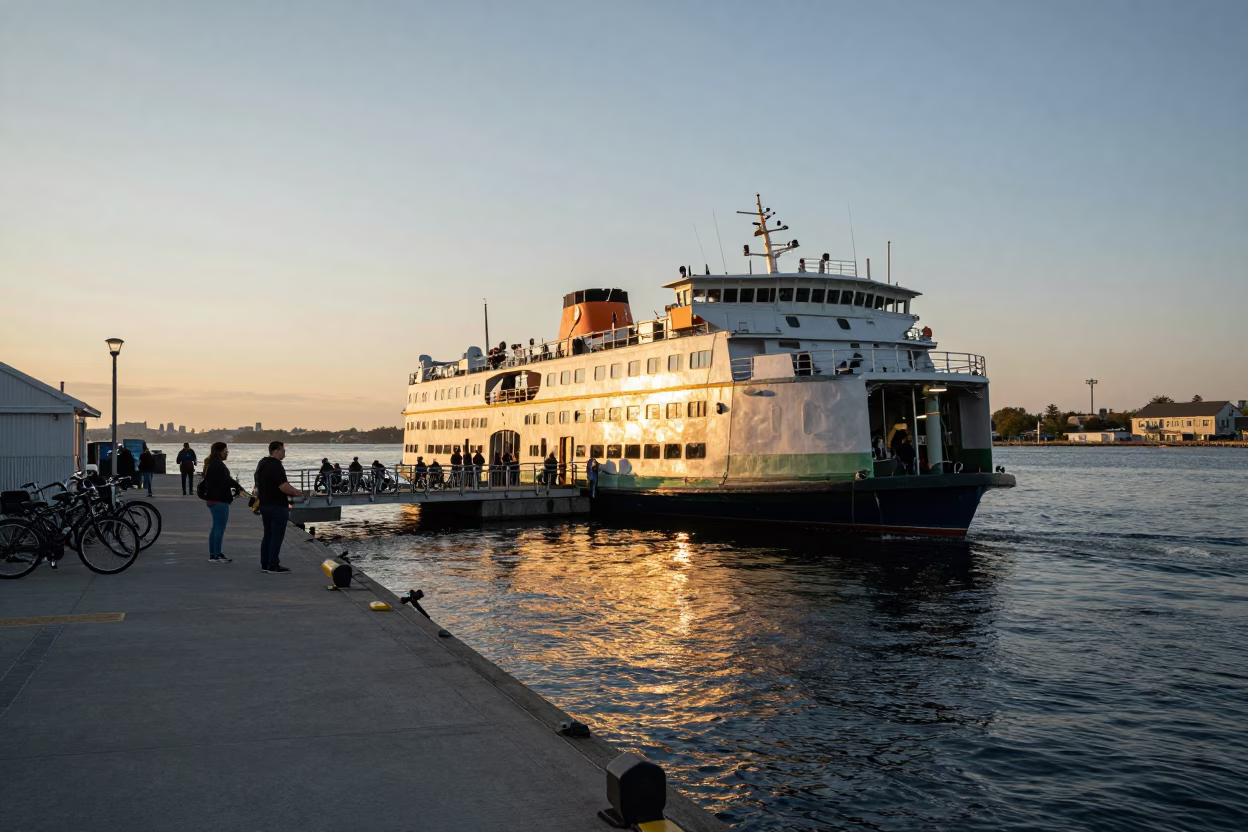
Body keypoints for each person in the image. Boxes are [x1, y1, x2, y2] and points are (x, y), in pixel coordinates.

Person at [254, 441, 305, 574]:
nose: (284, 453)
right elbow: (284, 487)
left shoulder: (262, 463)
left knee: (268, 535)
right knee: (277, 536)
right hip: (277, 506)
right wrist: (298, 492)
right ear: (276, 451)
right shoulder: (276, 465)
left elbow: (256, 485)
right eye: (283, 450)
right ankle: (273, 565)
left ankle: (265, 563)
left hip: (265, 505)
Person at [202, 441, 243, 563]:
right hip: (220, 500)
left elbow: (226, 480)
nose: (227, 453)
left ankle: (213, 554)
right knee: (220, 527)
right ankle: (217, 555)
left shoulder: (211, 464)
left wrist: (237, 486)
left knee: (215, 527)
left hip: (212, 500)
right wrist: (237, 489)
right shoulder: (218, 465)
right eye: (226, 451)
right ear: (220, 452)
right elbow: (225, 481)